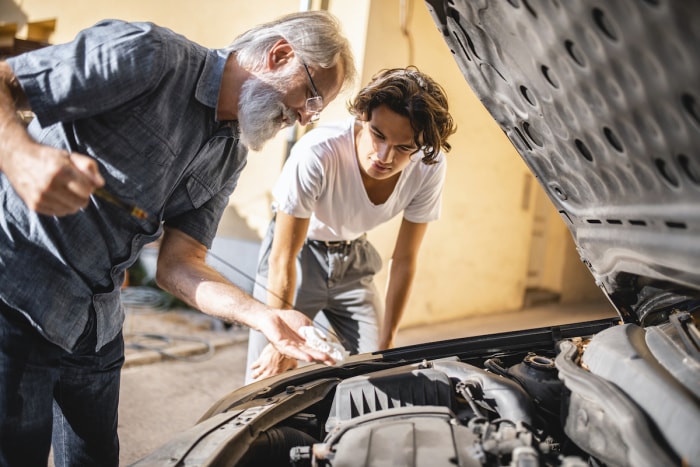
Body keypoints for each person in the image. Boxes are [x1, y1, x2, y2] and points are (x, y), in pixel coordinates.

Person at [0, 10, 356, 467]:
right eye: (311, 96)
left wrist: (266, 318)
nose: (307, 118)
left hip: (96, 324)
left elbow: (179, 264)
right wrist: (22, 156)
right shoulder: (150, 54)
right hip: (18, 297)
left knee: (96, 457)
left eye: (317, 110)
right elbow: (6, 78)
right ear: (280, 55)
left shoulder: (231, 156)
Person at [246, 67, 456, 383]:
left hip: (353, 259)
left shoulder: (429, 166)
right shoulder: (318, 152)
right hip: (297, 257)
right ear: (361, 115)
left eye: (404, 147)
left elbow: (404, 260)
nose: (385, 156)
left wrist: (387, 344)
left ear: (421, 146)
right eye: (378, 135)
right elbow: (282, 258)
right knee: (268, 377)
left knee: (380, 371)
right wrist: (281, 340)